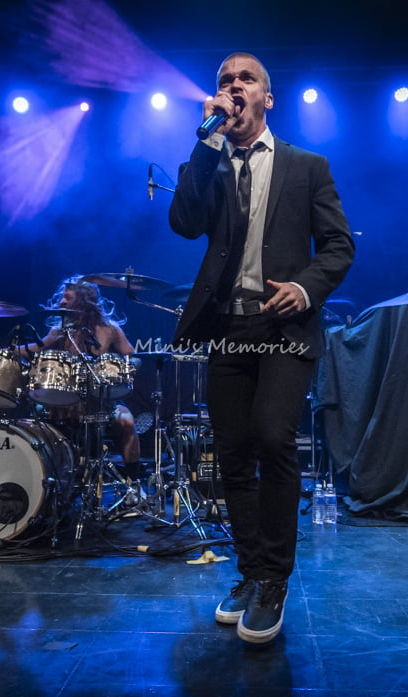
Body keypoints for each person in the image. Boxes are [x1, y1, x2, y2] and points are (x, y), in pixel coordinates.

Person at [168, 52, 355, 644]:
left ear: (267, 98)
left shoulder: (307, 166)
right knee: (231, 453)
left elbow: (339, 246)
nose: (233, 86)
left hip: (283, 328)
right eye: (225, 80)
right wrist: (206, 142)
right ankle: (250, 573)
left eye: (245, 79)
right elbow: (184, 223)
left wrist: (305, 287)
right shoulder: (209, 163)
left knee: (274, 438)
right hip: (228, 326)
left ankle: (274, 578)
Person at [15, 276, 141, 468]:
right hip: (66, 400)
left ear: (83, 300)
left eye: (67, 297)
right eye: (62, 297)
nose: (61, 302)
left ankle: (132, 478)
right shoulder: (59, 330)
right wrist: (10, 351)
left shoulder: (110, 329)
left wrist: (124, 369)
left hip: (103, 401)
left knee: (127, 421)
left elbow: (134, 358)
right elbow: (37, 349)